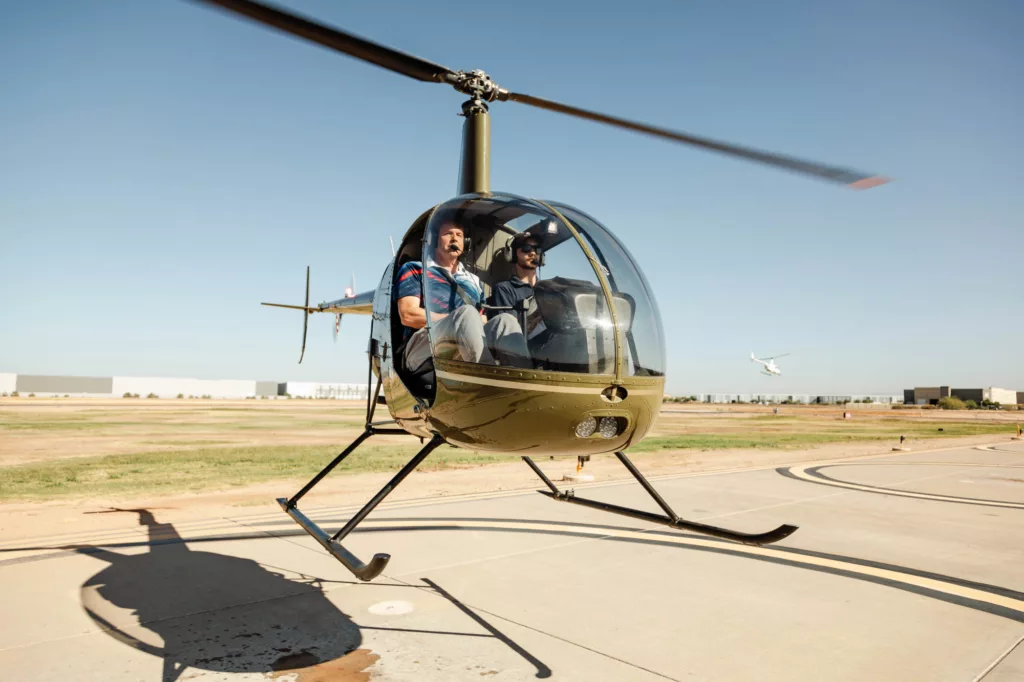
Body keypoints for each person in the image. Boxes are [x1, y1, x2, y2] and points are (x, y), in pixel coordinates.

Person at [395, 218, 530, 373]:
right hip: (424, 344)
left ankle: (527, 382)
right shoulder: (416, 269)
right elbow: (408, 315)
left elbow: (482, 319)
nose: (454, 238)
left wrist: (467, 320)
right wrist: (457, 320)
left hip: (465, 345)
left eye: (459, 235)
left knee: (506, 321)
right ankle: (487, 380)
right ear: (434, 240)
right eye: (448, 233)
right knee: (467, 313)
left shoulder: (474, 281)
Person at [489, 232, 546, 342]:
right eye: (526, 248)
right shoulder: (504, 289)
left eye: (537, 249)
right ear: (513, 255)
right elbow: (511, 334)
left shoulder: (548, 289)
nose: (533, 253)